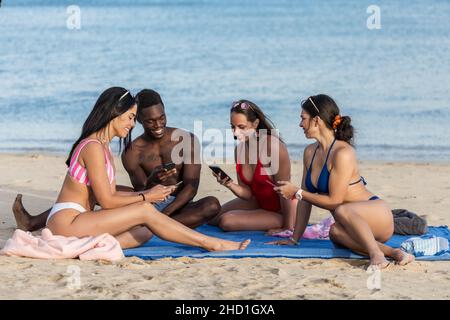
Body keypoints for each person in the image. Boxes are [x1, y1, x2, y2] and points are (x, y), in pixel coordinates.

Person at [14, 87, 250, 251]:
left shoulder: (102, 146)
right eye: (129, 117)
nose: (131, 124)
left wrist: (149, 193)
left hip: (79, 219)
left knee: (145, 231)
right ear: (114, 114)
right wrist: (149, 195)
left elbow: (102, 194)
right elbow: (106, 200)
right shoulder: (94, 147)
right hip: (69, 222)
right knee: (146, 212)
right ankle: (211, 243)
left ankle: (93, 245)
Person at [269, 94, 414, 269]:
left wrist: (297, 192)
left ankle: (376, 255)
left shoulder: (343, 153)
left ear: (316, 120)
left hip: (376, 216)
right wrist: (294, 239)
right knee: (334, 232)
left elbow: (334, 201)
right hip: (347, 222)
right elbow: (305, 200)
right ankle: (395, 253)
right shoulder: (310, 152)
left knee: (342, 209)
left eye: (303, 119)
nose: (300, 124)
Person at [208, 100, 297, 232]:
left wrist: (287, 228)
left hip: (280, 210)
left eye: (241, 127)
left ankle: (281, 222)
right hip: (257, 202)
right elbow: (248, 194)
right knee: (211, 218)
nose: (235, 133)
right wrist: (229, 184)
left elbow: (286, 190)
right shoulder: (239, 150)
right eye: (233, 127)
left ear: (255, 123)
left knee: (226, 221)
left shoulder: (272, 147)